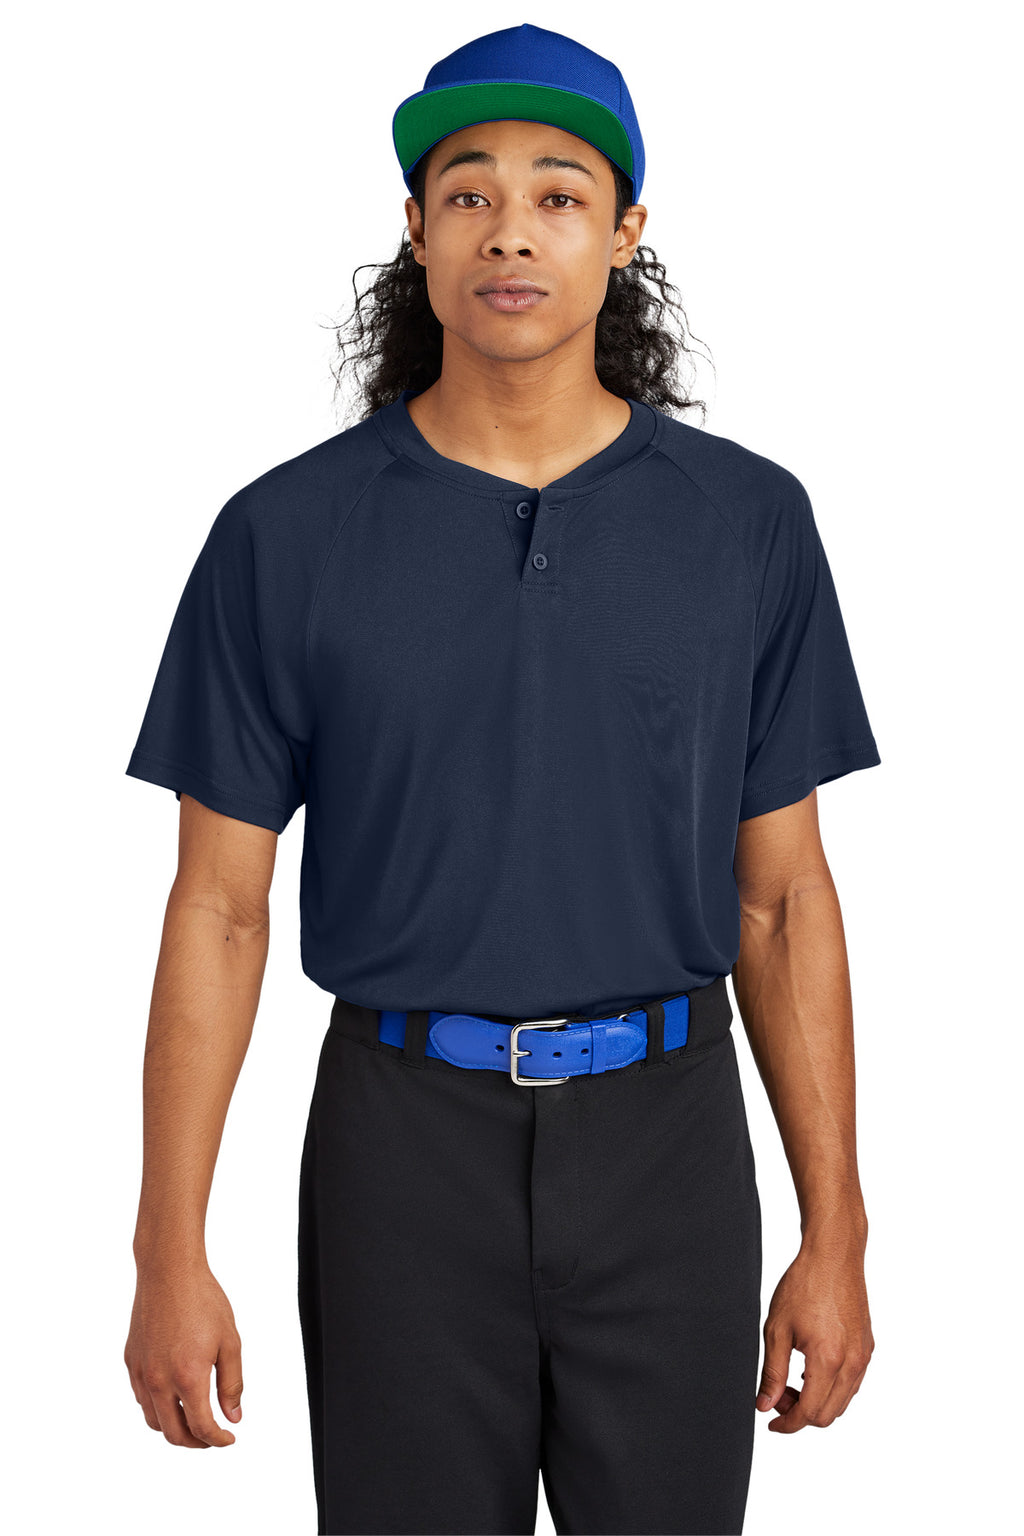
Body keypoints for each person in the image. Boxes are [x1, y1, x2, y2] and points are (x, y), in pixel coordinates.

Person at [122, 22, 880, 1536]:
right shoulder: (285, 535)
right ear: (415, 232)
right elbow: (218, 908)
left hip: (669, 1141)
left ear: (625, 233)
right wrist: (167, 1252)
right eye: (468, 194)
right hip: (399, 1145)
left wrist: (837, 1231)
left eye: (557, 194)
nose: (511, 231)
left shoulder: (746, 525)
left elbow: (784, 901)